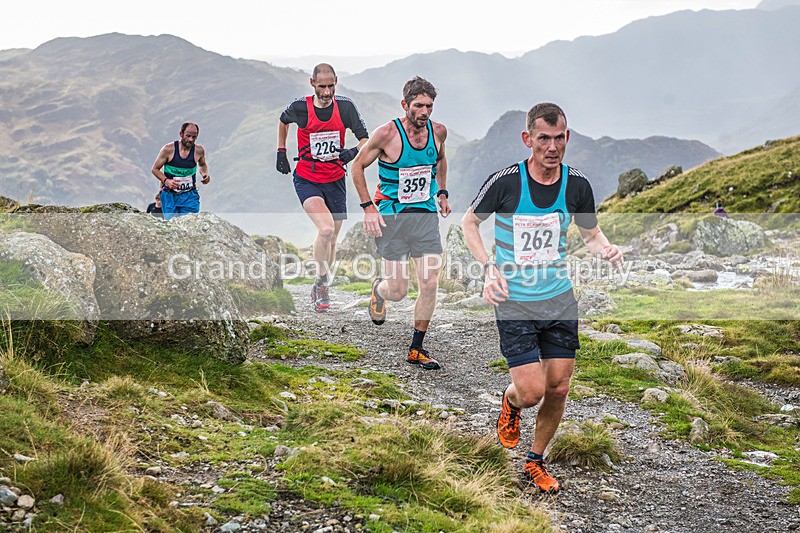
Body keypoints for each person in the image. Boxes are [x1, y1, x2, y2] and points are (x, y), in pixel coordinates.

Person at [460, 103, 623, 493]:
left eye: (559, 138)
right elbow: (469, 223)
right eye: (543, 138)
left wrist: (605, 247)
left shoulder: (577, 185)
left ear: (567, 137)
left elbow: (590, 233)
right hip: (513, 300)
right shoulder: (506, 183)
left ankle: (535, 460)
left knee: (560, 387)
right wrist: (488, 266)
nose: (552, 147)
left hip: (559, 299)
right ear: (528, 139)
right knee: (532, 392)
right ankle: (512, 403)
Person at [351, 76, 451, 371]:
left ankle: (416, 348)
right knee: (398, 290)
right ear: (405, 104)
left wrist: (442, 192)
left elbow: (441, 159)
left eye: (429, 106)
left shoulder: (438, 132)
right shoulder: (386, 134)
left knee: (430, 283)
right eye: (418, 106)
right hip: (391, 217)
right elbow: (356, 166)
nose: (424, 112)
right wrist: (369, 207)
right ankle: (379, 290)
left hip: (424, 217)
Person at [277, 63, 369, 313]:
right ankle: (321, 284)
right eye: (322, 87)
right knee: (326, 229)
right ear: (312, 83)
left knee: (333, 239)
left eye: (331, 86)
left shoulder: (346, 107)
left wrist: (352, 152)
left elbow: (365, 139)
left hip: (336, 179)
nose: (327, 92)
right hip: (307, 177)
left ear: (336, 82)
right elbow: (283, 121)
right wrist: (281, 151)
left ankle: (323, 280)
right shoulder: (300, 107)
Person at [151, 122, 210, 220]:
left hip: (189, 195)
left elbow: (202, 165)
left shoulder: (198, 151)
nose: (191, 139)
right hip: (170, 195)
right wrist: (167, 181)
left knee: (190, 224)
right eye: (188, 136)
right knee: (172, 227)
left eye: (194, 137)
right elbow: (155, 169)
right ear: (181, 134)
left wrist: (204, 174)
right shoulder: (168, 150)